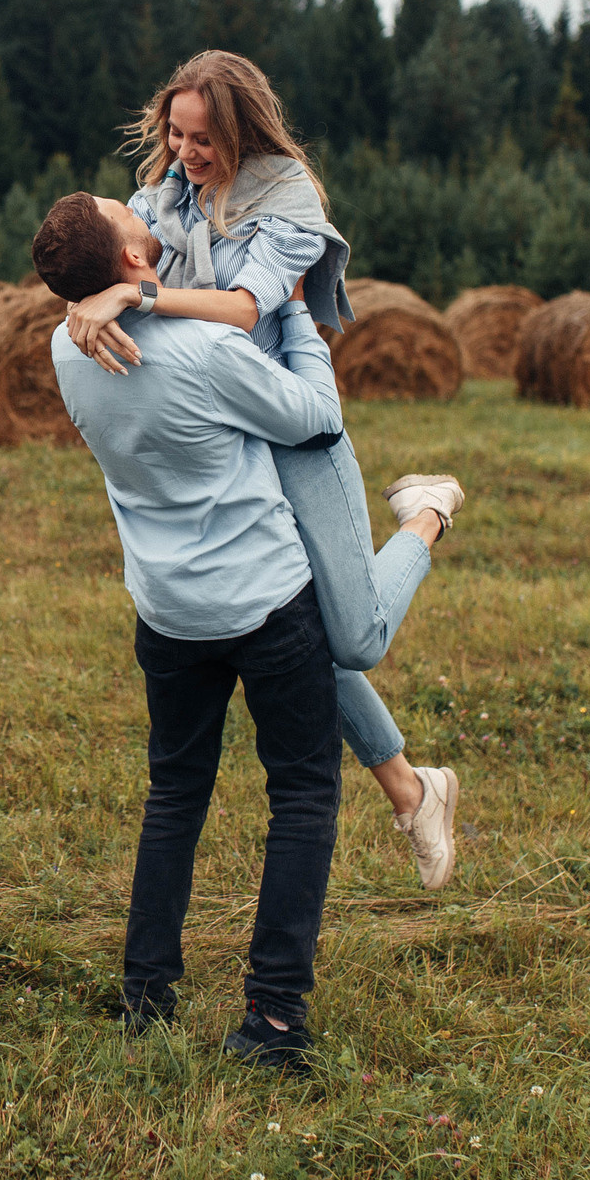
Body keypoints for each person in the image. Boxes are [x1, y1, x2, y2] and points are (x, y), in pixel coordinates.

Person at [34, 188, 465, 1073]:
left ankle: (146, 995)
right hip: (266, 605)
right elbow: (317, 417)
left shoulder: (64, 349)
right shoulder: (204, 350)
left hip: (166, 612)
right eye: (123, 211)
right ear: (130, 261)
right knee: (302, 797)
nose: (137, 203)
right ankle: (273, 1020)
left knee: (174, 798)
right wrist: (299, 314)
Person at [63, 50, 462, 888]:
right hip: (220, 427)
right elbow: (107, 259)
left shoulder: (288, 202)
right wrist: (84, 298)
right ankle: (411, 787)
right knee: (293, 629)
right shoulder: (159, 196)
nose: (185, 152)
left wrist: (134, 298)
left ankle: (425, 512)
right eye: (175, 133)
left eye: (203, 137)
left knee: (354, 635)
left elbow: (248, 307)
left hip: (287, 415)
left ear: (242, 129)